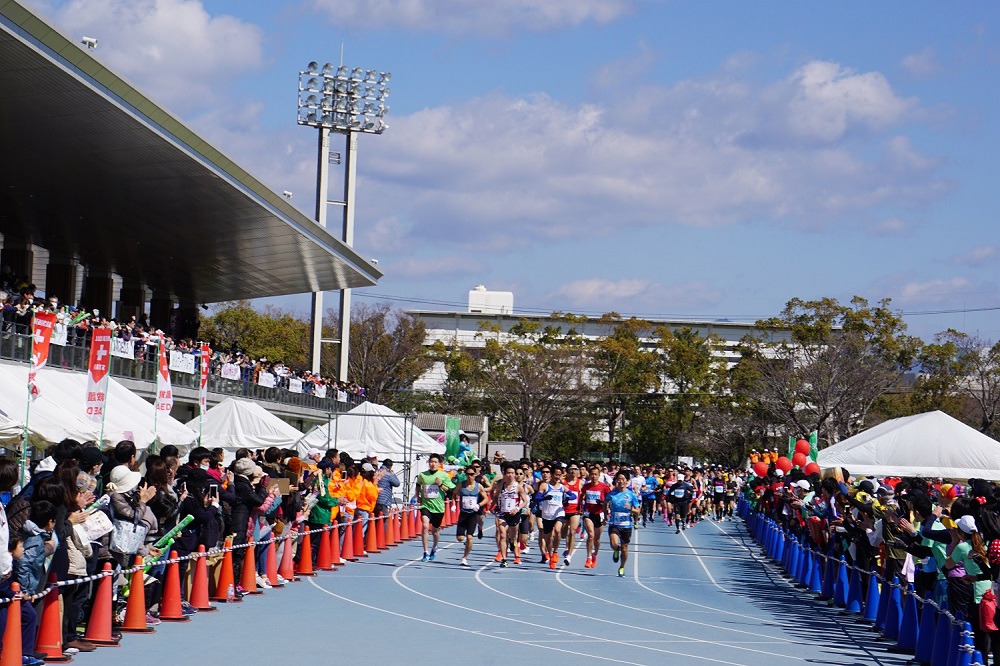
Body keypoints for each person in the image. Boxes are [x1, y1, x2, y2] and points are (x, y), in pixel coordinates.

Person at [416, 453, 454, 562]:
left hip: (438, 507)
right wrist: (418, 496)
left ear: (439, 464)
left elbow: (451, 491)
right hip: (425, 505)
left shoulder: (444, 475)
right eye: (431, 462)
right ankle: (425, 552)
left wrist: (440, 485)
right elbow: (418, 485)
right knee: (425, 526)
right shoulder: (423, 475)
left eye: (435, 462)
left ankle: (434, 547)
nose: (433, 464)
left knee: (435, 531)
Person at [492, 463, 528, 567]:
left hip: (514, 514)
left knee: (513, 537)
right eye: (508, 473)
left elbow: (525, 501)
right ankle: (504, 559)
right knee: (503, 535)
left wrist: (517, 508)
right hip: (502, 513)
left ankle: (513, 544)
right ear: (504, 474)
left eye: (512, 473)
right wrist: (492, 506)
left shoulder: (518, 487)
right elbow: (495, 496)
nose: (510, 475)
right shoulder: (500, 485)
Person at [607, 471, 641, 577]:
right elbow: (605, 503)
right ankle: (616, 549)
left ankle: (622, 566)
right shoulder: (612, 493)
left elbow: (638, 511)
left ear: (627, 481)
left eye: (623, 479)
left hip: (626, 525)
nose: (621, 481)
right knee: (614, 543)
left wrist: (631, 509)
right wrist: (605, 513)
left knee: (625, 548)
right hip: (614, 523)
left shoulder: (631, 495)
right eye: (619, 479)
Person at [455, 465, 489, 566]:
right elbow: (454, 494)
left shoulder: (479, 486)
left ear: (475, 475)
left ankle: (464, 557)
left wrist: (479, 505)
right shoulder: (461, 485)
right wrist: (453, 504)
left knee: (469, 537)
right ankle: (466, 542)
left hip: (473, 514)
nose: (469, 476)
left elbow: (486, 499)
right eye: (468, 474)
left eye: (471, 474)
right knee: (460, 538)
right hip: (463, 514)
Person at [581, 465, 611, 569]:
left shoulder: (604, 487)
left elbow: (609, 501)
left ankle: (594, 555)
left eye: (595, 474)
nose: (594, 476)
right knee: (590, 535)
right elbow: (582, 497)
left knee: (597, 539)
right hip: (588, 514)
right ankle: (588, 557)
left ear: (599, 475)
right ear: (589, 475)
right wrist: (581, 505)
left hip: (599, 514)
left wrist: (603, 503)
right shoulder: (586, 486)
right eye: (592, 474)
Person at [561, 463, 584, 565]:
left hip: (575, 511)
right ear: (567, 470)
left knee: (572, 532)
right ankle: (567, 547)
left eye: (575, 469)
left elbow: (585, 493)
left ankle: (569, 555)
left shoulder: (580, 483)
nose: (573, 471)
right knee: (563, 534)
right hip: (563, 511)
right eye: (571, 469)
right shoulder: (563, 482)